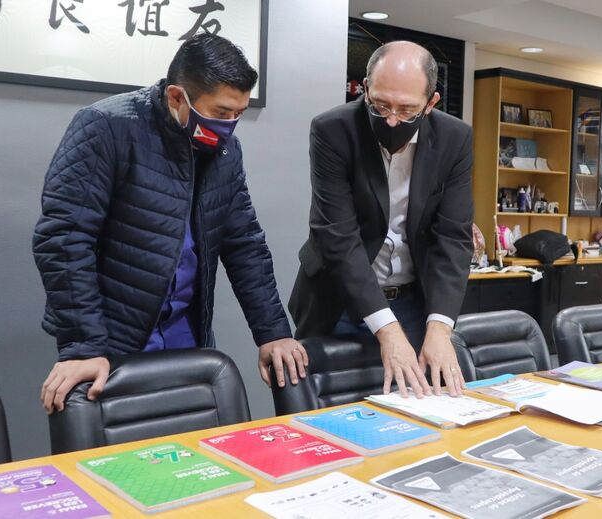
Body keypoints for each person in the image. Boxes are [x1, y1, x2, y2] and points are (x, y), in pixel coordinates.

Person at [33, 34, 306, 414]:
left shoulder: (225, 152)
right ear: (177, 97)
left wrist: (272, 332)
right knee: (125, 444)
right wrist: (84, 345)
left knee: (190, 441)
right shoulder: (106, 127)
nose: (230, 126)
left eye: (238, 114)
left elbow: (244, 243)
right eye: (221, 113)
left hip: (186, 332)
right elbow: (64, 238)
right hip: (113, 336)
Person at [289, 41, 473, 399]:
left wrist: (439, 328)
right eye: (380, 105)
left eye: (406, 110)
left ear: (431, 103)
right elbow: (337, 236)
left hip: (413, 300)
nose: (391, 120)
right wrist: (387, 329)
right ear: (365, 88)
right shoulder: (333, 130)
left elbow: (453, 237)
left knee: (420, 407)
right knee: (331, 413)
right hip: (339, 300)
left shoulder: (455, 139)